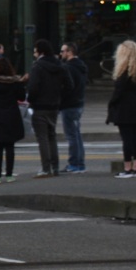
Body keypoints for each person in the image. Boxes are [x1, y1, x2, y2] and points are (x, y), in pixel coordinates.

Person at [26, 38, 69, 178]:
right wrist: (59, 97)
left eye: (35, 51)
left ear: (40, 52)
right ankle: (55, 167)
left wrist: (30, 100)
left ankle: (46, 168)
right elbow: (70, 84)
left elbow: (33, 88)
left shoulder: (38, 67)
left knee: (42, 138)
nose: (34, 54)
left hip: (40, 106)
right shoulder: (59, 65)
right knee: (52, 136)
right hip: (54, 105)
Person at [107, 40, 136, 178]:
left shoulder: (123, 72)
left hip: (124, 109)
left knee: (126, 139)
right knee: (135, 138)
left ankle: (127, 168)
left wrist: (111, 104)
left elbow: (117, 93)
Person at [0, 56, 26, 183]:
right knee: (10, 146)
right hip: (11, 116)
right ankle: (9, 174)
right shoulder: (14, 82)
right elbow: (22, 97)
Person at [59, 42, 89, 174]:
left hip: (69, 104)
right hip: (78, 103)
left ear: (69, 52)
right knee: (76, 135)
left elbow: (66, 87)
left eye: (62, 51)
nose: (61, 54)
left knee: (71, 135)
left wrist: (60, 99)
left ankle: (75, 163)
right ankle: (79, 162)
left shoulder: (68, 68)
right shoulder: (81, 66)